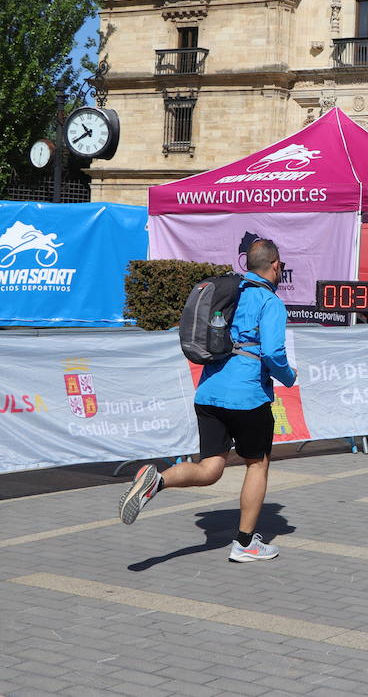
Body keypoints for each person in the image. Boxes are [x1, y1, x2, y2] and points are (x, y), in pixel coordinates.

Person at [119, 239, 297, 562]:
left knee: (211, 467)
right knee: (257, 463)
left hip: (209, 391)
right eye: (280, 265)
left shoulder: (230, 291)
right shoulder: (270, 302)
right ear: (274, 265)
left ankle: (157, 480)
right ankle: (245, 543)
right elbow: (272, 352)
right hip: (247, 397)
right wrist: (288, 376)